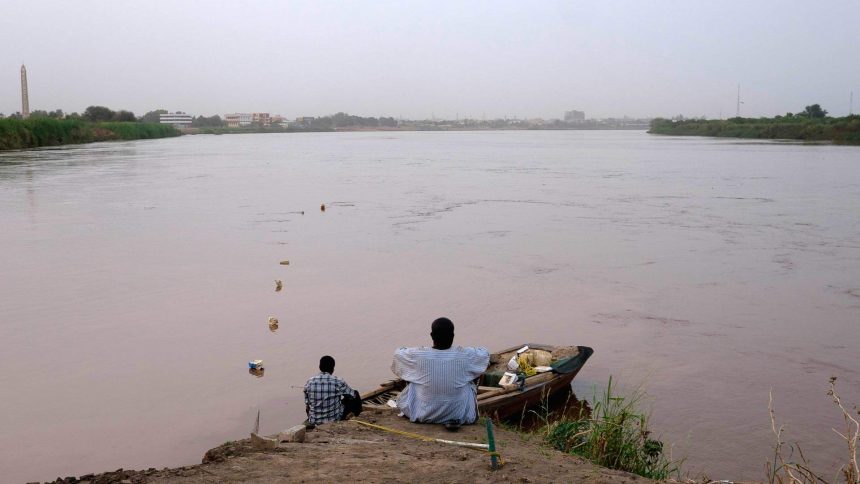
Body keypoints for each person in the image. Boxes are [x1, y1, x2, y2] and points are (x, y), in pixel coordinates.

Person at [391, 317, 490, 429]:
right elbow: (485, 353)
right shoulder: (465, 355)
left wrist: (418, 350)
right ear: (453, 336)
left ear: (432, 336)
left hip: (422, 414)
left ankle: (423, 409)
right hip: (459, 415)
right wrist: (468, 350)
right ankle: (452, 413)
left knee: (412, 374)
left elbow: (398, 353)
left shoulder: (418, 355)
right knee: (470, 375)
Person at [303, 355, 361, 428]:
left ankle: (313, 420)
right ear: (333, 369)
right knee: (355, 393)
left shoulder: (309, 382)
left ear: (319, 367)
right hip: (334, 420)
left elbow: (307, 406)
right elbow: (353, 396)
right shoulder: (338, 381)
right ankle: (358, 415)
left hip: (314, 421)